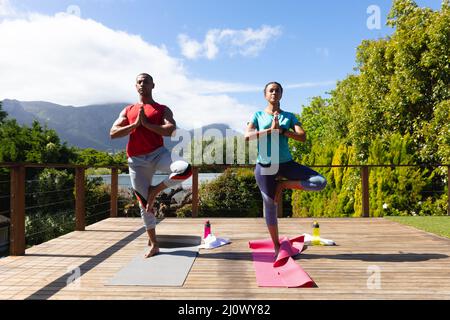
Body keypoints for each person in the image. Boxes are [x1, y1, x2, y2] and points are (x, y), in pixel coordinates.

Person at [110, 73, 192, 258]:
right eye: (139, 81)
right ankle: (154, 244)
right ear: (135, 86)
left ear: (153, 85)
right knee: (144, 204)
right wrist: (135, 125)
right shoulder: (128, 109)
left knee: (185, 169)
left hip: (158, 154)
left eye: (146, 81)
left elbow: (171, 130)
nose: (142, 84)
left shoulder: (162, 108)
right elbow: (113, 132)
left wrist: (146, 124)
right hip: (136, 161)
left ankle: (155, 191)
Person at [245, 81, 327, 258]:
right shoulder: (258, 115)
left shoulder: (289, 116)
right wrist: (269, 130)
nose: (274, 93)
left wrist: (282, 131)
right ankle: (276, 245)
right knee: (270, 205)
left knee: (320, 182)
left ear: (281, 94)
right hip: (265, 166)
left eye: (277, 90)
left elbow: (302, 137)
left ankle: (283, 185)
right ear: (265, 95)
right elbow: (247, 136)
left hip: (286, 164)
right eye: (271, 90)